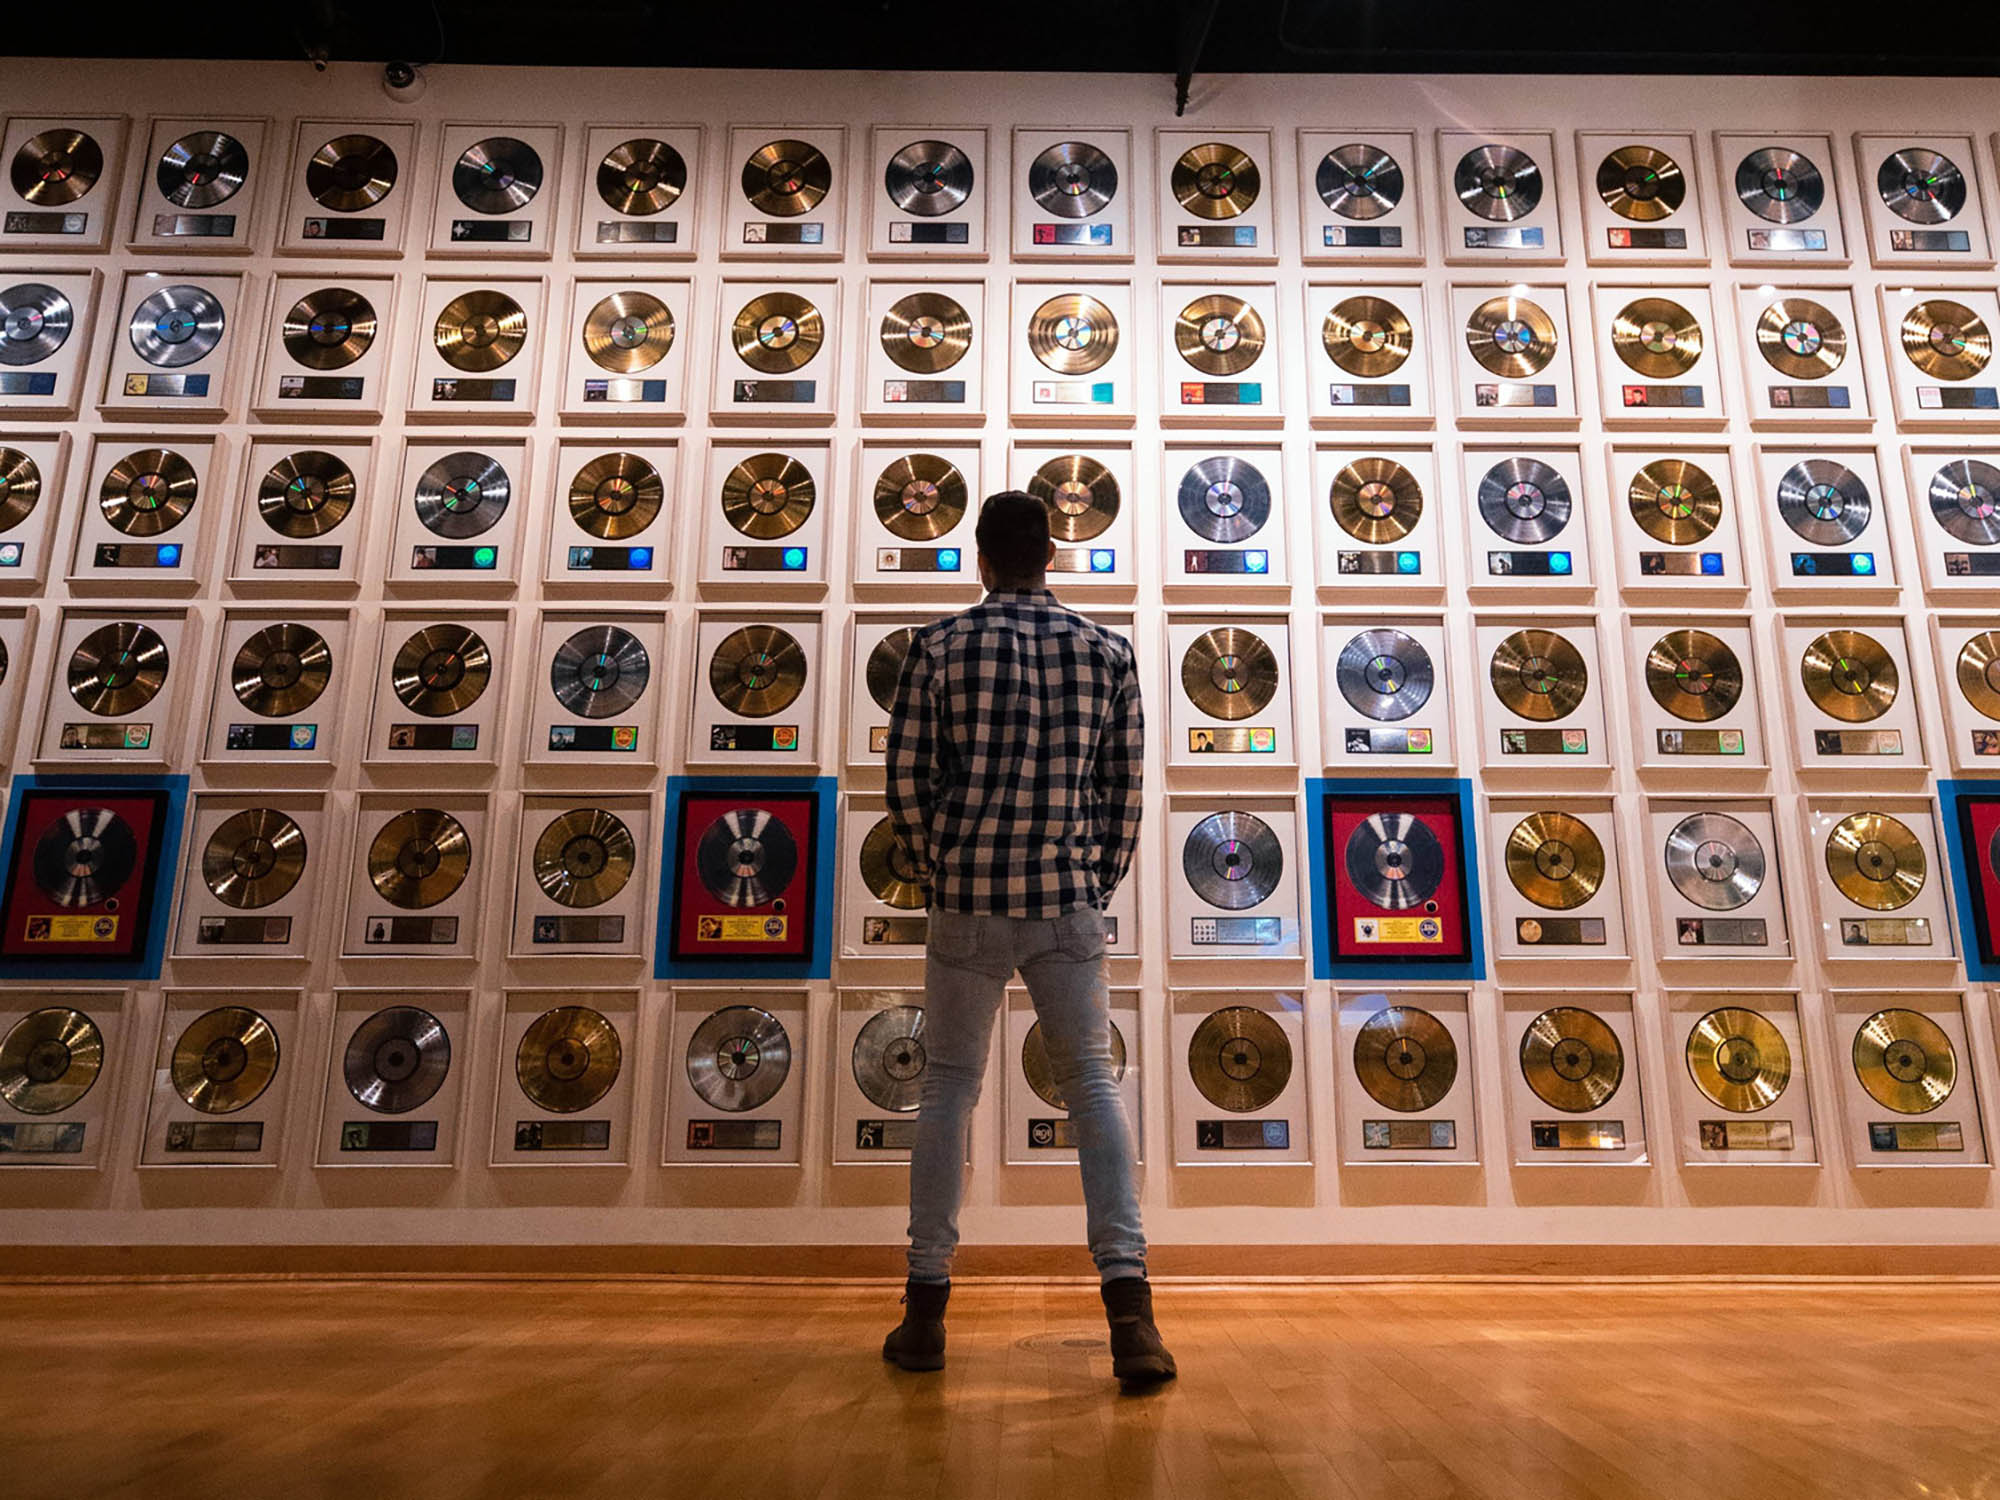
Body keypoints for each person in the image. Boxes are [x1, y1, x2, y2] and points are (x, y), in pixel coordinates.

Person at [880, 490, 1174, 1388]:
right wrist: (1090, 881)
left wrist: (940, 872)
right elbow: (1123, 792)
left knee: (947, 1091)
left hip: (967, 902)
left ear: (980, 559)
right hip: (1065, 903)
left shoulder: (938, 647)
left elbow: (907, 782)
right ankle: (1131, 1317)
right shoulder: (1106, 652)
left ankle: (925, 1313)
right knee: (1092, 1088)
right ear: (1050, 555)